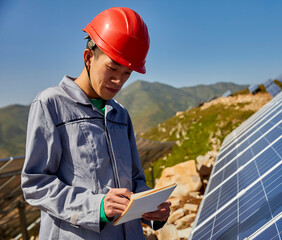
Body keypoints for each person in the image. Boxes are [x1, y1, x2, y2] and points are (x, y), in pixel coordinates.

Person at [21, 7, 171, 239]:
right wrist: (97, 207)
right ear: (88, 57)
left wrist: (151, 208)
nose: (118, 80)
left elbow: (136, 180)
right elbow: (36, 184)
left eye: (127, 73)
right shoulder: (51, 104)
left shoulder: (120, 115)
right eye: (112, 68)